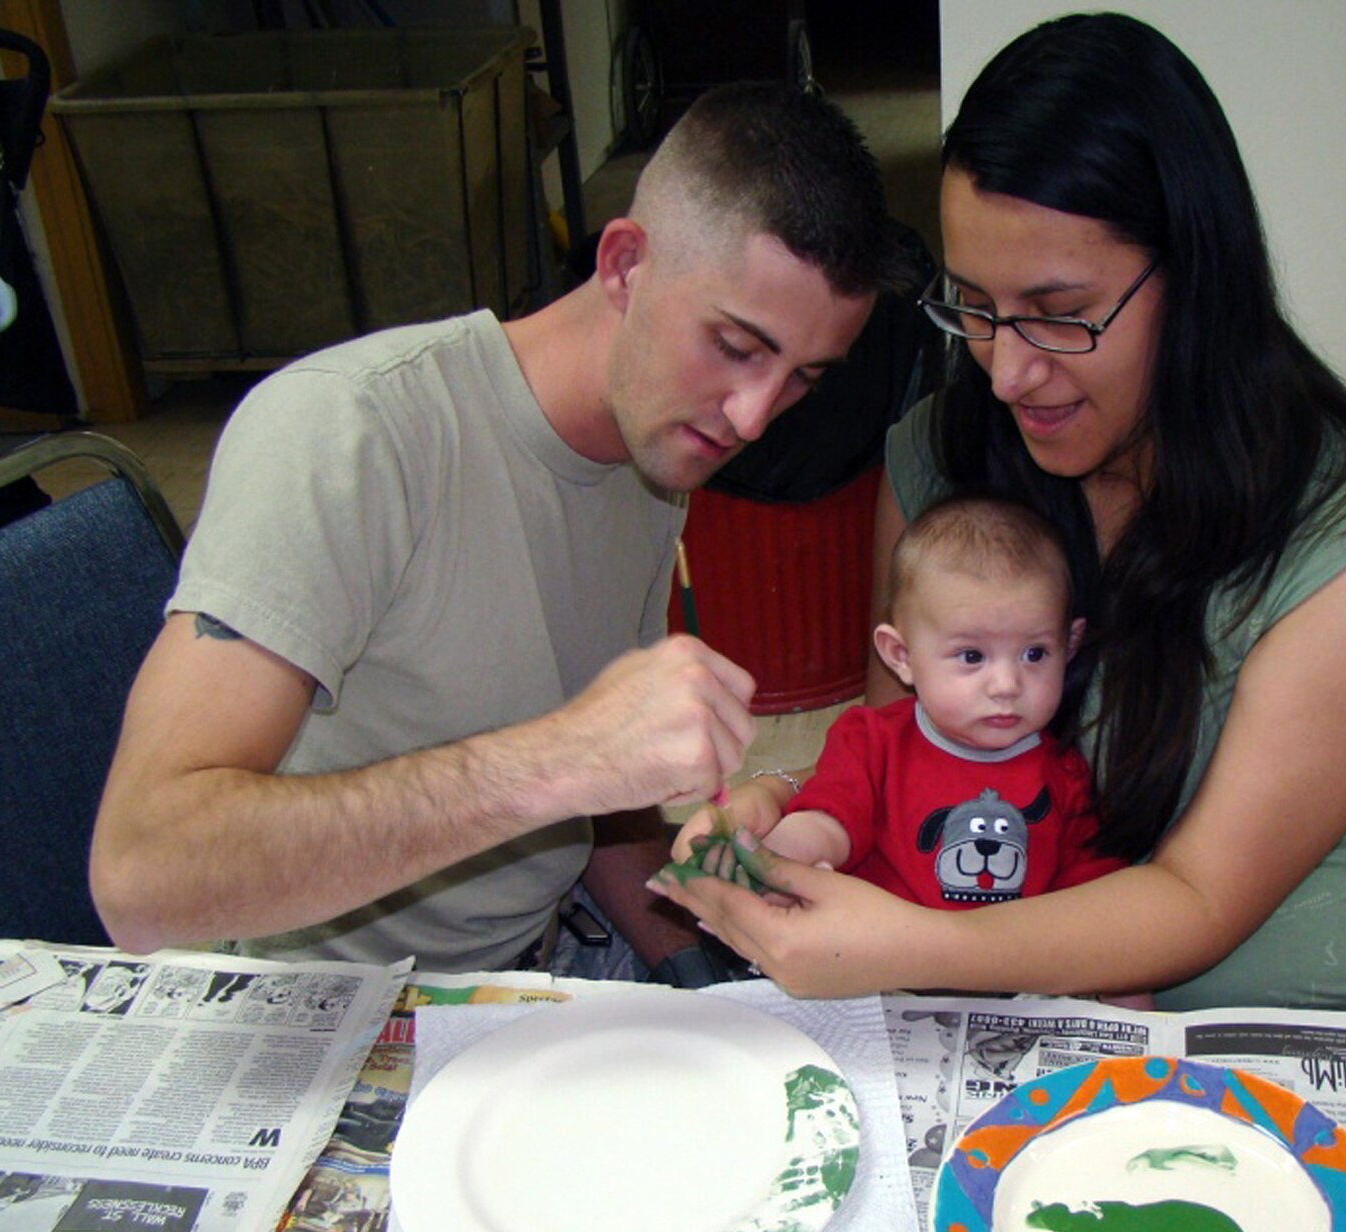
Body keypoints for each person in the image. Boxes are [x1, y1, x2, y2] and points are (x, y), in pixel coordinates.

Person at [656, 15, 1346, 1012]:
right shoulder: (943, 451)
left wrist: (914, 945)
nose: (1006, 369)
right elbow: (902, 744)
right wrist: (780, 809)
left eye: (1058, 311)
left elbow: (1198, 900)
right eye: (974, 307)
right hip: (1018, 1007)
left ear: (1195, 276)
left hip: (1294, 1024)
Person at [89, 82, 908, 983]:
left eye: (802, 377)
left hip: (550, 955)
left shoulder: (656, 451)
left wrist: (697, 966)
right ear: (626, 264)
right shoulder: (348, 432)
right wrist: (560, 760)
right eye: (736, 346)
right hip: (337, 1006)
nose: (755, 416)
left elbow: (597, 816)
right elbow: (140, 876)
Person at [752, 495, 1124, 911]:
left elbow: (1089, 900)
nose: (1006, 685)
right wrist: (775, 861)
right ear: (901, 656)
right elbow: (829, 821)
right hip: (877, 964)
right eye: (972, 656)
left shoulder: (1066, 777)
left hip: (1008, 971)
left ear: (1069, 646)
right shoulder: (872, 743)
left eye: (1034, 654)